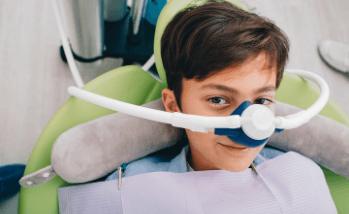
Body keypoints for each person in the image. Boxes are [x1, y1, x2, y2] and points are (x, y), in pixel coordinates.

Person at [105, 0, 337, 212]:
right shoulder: (130, 189)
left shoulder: (300, 176)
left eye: (261, 101)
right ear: (174, 105)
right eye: (218, 99)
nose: (249, 125)